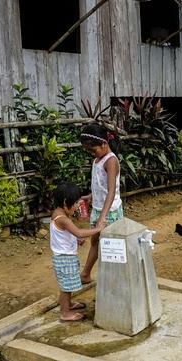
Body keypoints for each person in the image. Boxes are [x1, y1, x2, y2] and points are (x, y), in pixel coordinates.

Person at [50, 182, 104, 322]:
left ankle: (68, 305)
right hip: (64, 258)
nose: (76, 207)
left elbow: (64, 235)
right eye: (74, 203)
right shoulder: (62, 219)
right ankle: (65, 312)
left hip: (65, 257)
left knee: (69, 283)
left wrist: (76, 240)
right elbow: (79, 232)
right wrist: (98, 229)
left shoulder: (58, 214)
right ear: (65, 202)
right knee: (66, 287)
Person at [79, 124, 124, 284]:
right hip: (98, 209)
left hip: (110, 211)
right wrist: (90, 196)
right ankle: (86, 274)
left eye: (93, 150)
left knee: (110, 245)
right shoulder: (97, 159)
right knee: (95, 241)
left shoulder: (111, 161)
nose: (92, 153)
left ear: (104, 143)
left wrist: (103, 217)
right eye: (89, 151)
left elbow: (111, 191)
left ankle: (113, 279)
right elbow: (101, 186)